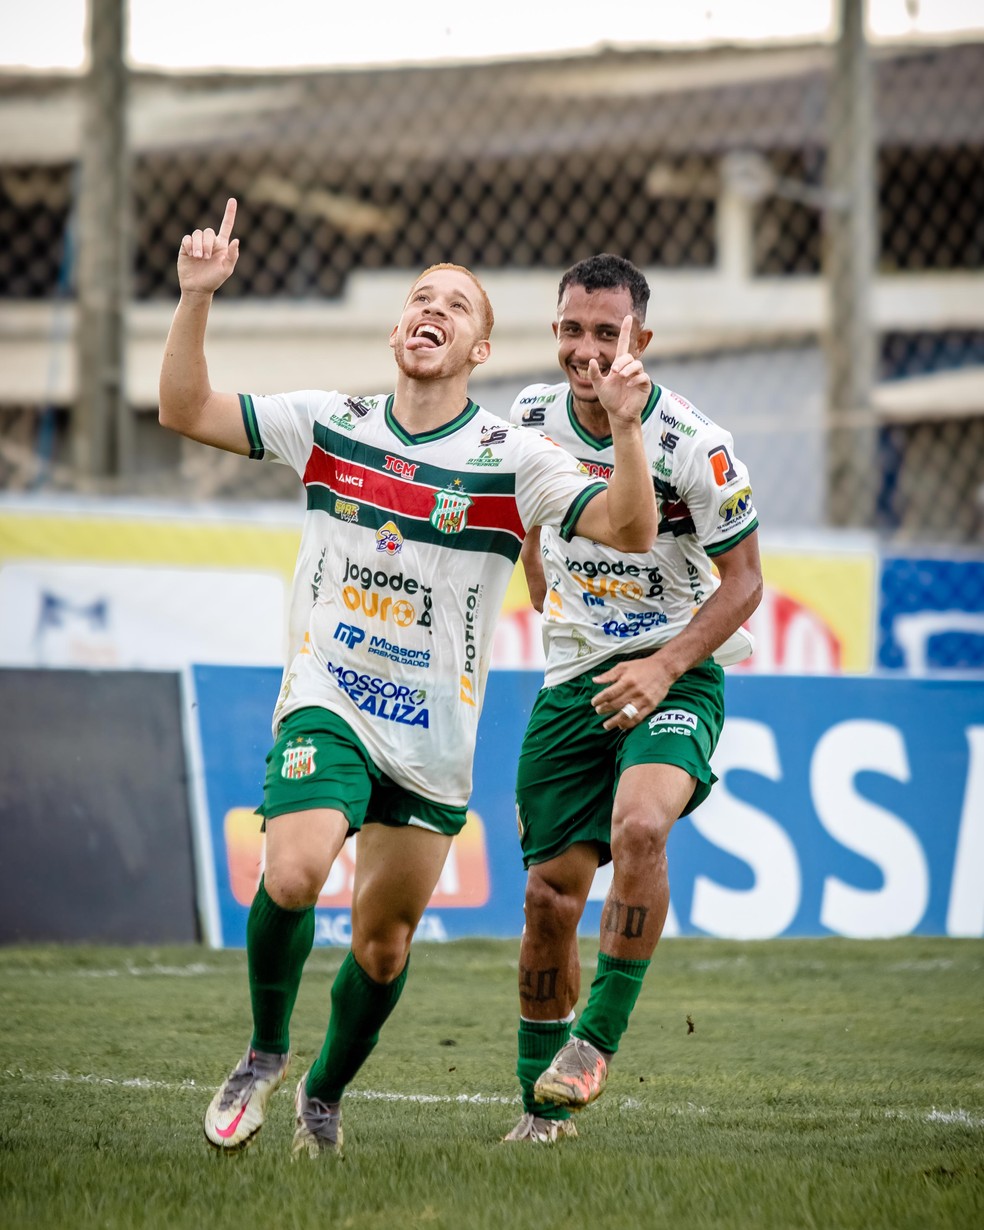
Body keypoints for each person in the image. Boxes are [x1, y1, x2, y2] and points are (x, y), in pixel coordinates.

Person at [158, 202, 659, 1158]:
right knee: (296, 872)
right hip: (330, 701)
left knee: (383, 950)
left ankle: (322, 1093)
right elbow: (184, 409)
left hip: (431, 745)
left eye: (456, 306)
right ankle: (264, 1054)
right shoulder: (330, 425)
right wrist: (194, 297)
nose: (432, 311)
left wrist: (627, 431)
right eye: (419, 299)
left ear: (478, 348)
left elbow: (631, 528)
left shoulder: (513, 460)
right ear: (398, 332)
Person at [502, 254, 763, 1144]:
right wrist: (544, 585)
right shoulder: (529, 417)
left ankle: (595, 1043)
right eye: (571, 329)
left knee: (642, 827)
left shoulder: (698, 442)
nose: (585, 350)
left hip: (677, 666)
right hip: (574, 679)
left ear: (639, 341)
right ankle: (541, 1111)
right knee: (548, 898)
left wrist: (665, 665)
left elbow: (746, 583)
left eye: (605, 334)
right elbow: (529, 523)